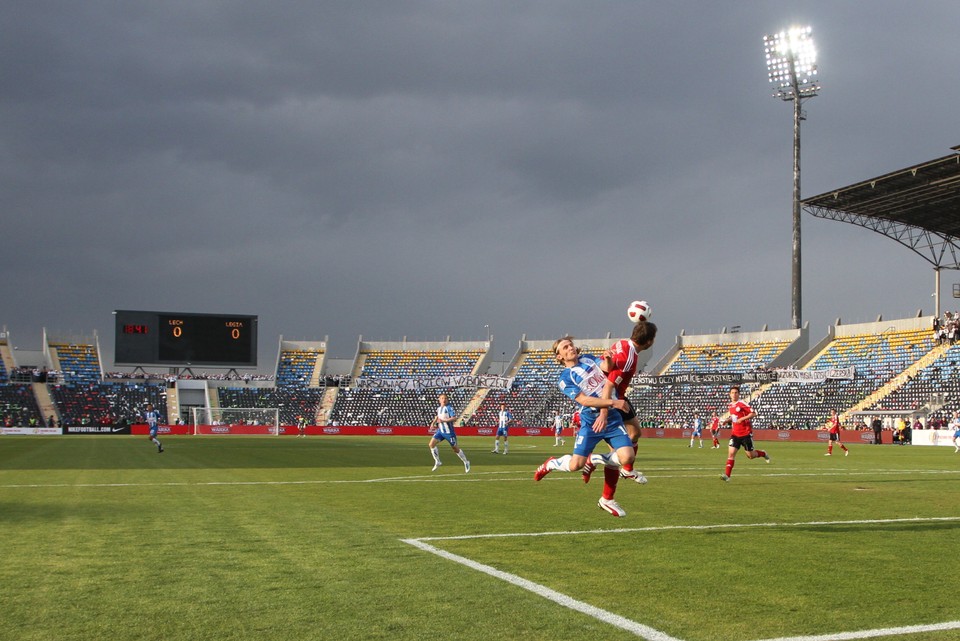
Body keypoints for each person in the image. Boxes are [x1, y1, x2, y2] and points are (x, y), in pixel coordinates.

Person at [534, 336, 641, 517]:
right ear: (559, 357)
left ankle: (598, 465)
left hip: (611, 418)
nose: (571, 348)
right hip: (591, 421)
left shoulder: (589, 358)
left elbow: (607, 368)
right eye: (565, 347)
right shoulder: (565, 378)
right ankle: (552, 463)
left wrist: (607, 359)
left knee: (628, 457)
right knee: (576, 465)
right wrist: (613, 403)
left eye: (571, 345)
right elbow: (583, 400)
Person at [581, 320, 658, 483]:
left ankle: (627, 470)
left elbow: (605, 368)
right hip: (610, 397)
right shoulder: (629, 358)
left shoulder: (622, 343)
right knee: (619, 453)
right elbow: (608, 385)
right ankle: (596, 461)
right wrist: (604, 412)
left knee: (635, 433)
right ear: (649, 341)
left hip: (618, 395)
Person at [720, 386, 769, 481]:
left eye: (736, 393)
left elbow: (753, 413)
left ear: (738, 394)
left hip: (745, 433)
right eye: (732, 393)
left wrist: (742, 419)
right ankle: (727, 476)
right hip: (735, 434)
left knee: (750, 456)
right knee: (731, 454)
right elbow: (733, 417)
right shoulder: (730, 405)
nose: (734, 394)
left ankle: (763, 453)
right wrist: (727, 420)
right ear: (729, 394)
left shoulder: (742, 403)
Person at [428, 393, 470, 473]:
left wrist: (443, 420)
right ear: (439, 399)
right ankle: (438, 461)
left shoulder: (449, 408)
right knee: (431, 444)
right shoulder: (439, 408)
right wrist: (433, 423)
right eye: (442, 398)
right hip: (440, 431)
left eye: (445, 398)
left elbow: (454, 418)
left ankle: (466, 461)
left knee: (455, 449)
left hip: (449, 432)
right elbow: (437, 416)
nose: (444, 400)